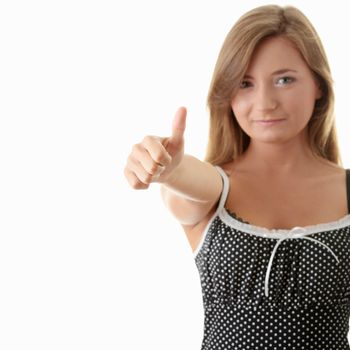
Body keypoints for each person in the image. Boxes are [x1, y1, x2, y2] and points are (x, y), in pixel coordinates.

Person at [124, 4, 350, 349]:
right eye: (245, 83)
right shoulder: (215, 188)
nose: (265, 102)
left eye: (284, 79)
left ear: (318, 85)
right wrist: (171, 170)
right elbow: (189, 185)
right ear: (226, 93)